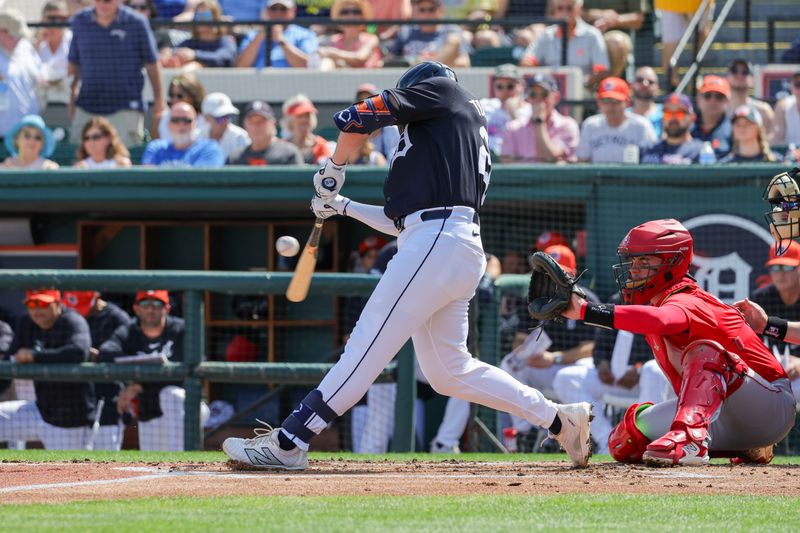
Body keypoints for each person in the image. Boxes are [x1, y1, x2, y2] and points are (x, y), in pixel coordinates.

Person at [222, 61, 592, 470]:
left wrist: (334, 169)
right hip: (448, 243)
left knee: (363, 349)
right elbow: (403, 221)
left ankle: (290, 442)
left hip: (438, 243)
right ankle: (559, 419)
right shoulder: (446, 141)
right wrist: (342, 207)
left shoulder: (445, 92)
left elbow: (355, 118)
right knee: (450, 371)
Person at [561, 218, 794, 466]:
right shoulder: (655, 301)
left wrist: (585, 310)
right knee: (624, 442)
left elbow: (661, 321)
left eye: (645, 260)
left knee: (705, 351)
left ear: (673, 261)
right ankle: (747, 447)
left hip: (770, 405)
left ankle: (690, 439)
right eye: (633, 260)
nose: (634, 268)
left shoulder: (688, 298)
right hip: (725, 414)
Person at [500, 244, 598, 448]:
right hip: (543, 367)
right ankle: (525, 431)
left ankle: (595, 437)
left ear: (572, 274)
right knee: (508, 366)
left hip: (572, 367)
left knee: (579, 369)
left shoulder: (585, 299)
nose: (554, 278)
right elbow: (519, 338)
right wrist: (523, 352)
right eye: (550, 272)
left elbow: (592, 347)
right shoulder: (534, 301)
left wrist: (555, 358)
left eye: (560, 272)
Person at [553, 293, 671, 454]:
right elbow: (600, 344)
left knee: (653, 369)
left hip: (643, 379)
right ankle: (608, 441)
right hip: (612, 377)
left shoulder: (661, 301)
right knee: (566, 377)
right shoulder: (618, 300)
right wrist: (602, 364)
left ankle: (646, 441)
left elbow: (667, 347)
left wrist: (638, 367)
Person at [99, 290, 209, 451]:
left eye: (157, 304)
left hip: (190, 408)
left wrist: (138, 385)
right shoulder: (129, 331)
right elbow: (106, 352)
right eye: (145, 304)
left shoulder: (181, 329)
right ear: (136, 308)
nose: (150, 309)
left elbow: (191, 370)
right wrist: (137, 382)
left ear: (167, 308)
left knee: (170, 394)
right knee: (154, 465)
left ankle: (182, 463)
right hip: (150, 412)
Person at [0, 290, 95, 450]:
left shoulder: (72, 321)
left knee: (68, 472)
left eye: (43, 304)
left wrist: (35, 356)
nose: (37, 310)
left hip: (70, 418)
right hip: (40, 407)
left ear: (58, 304)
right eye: (31, 304)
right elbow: (11, 359)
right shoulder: (27, 323)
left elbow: (79, 352)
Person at [68, 0, 166, 146]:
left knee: (125, 162)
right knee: (80, 162)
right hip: (87, 106)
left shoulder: (137, 22)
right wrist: (71, 95)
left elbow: (152, 65)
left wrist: (159, 101)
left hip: (126, 107)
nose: (103, 3)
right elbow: (74, 62)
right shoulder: (79, 21)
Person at [62, 290, 132, 451]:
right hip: (77, 396)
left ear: (97, 298)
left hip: (108, 394)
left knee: (105, 455)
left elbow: (131, 354)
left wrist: (100, 355)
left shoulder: (118, 318)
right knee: (73, 458)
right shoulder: (67, 317)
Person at [740, 242, 800, 404]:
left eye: (787, 267)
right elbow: (749, 345)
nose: (781, 274)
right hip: (773, 372)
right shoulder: (761, 299)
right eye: (775, 268)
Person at [520, 0, 610, 88]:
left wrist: (582, 84)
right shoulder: (547, 35)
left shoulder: (592, 35)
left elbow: (602, 71)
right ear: (555, 11)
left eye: (569, 8)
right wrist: (542, 78)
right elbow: (527, 62)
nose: (564, 12)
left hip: (580, 90)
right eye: (560, 8)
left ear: (579, 9)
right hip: (550, 89)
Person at [500, 73, 579, 163]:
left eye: (544, 94)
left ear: (556, 97)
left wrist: (539, 122)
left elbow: (548, 156)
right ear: (528, 98)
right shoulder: (513, 128)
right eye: (533, 94)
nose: (538, 99)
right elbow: (507, 164)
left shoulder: (567, 125)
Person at [576, 77, 657, 163]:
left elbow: (653, 161)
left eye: (616, 101)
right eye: (606, 100)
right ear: (598, 103)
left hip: (632, 176)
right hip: (598, 176)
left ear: (627, 102)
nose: (610, 106)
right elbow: (583, 161)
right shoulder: (590, 125)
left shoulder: (641, 125)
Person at [235, 0, 320, 68]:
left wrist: (281, 40)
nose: (278, 13)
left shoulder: (305, 34)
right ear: (267, 11)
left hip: (294, 84)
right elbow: (241, 66)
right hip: (257, 84)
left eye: (283, 9)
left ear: (293, 10)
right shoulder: (252, 35)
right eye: (273, 9)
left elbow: (308, 66)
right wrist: (260, 37)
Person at [387, 0, 471, 68]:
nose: (426, 14)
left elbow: (464, 63)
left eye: (431, 9)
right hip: (409, 81)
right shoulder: (406, 32)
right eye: (422, 10)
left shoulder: (451, 30)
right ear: (416, 12)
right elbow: (389, 59)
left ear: (441, 11)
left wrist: (428, 63)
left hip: (439, 79)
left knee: (454, 40)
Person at [0, 9, 43, 140]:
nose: (18, 39)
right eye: (14, 35)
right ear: (1, 32)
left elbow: (38, 75)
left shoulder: (26, 47)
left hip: (27, 134)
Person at [141, 102, 225, 167]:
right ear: (168, 124)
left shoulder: (209, 148)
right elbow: (148, 178)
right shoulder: (156, 148)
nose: (181, 125)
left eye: (187, 120)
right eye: (175, 120)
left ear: (196, 124)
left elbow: (201, 180)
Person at [162, 0, 237, 68]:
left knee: (195, 66)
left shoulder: (225, 41)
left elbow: (225, 58)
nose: (201, 20)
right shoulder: (191, 42)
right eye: (198, 16)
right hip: (185, 79)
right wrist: (168, 52)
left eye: (206, 16)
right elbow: (175, 51)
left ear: (215, 17)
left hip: (221, 80)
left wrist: (195, 55)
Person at [657, 0, 713, 88]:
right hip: (672, 4)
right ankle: (675, 88)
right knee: (671, 43)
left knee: (702, 35)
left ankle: (694, 80)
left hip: (700, 3)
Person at [230, 100, 304, 166]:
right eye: (252, 122)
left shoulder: (289, 154)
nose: (257, 126)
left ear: (273, 124)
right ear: (245, 125)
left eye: (262, 121)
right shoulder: (235, 159)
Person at [480, 64, 531, 158]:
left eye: (510, 86)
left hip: (513, 160)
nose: (504, 91)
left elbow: (527, 144)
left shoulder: (529, 112)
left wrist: (513, 114)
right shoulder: (485, 105)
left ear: (522, 86)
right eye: (499, 86)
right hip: (485, 158)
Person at [641, 93, 704, 164]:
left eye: (679, 113)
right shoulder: (650, 150)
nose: (673, 118)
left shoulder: (701, 151)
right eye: (668, 113)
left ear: (692, 118)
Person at [318, 0, 382, 69]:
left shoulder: (371, 39)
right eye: (345, 12)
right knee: (327, 62)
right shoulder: (333, 40)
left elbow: (360, 58)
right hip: (339, 79)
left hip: (366, 78)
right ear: (339, 17)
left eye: (356, 12)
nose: (350, 15)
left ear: (363, 16)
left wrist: (334, 54)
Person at [725, 59, 774, 136]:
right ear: (727, 77)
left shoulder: (763, 111)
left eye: (745, 72)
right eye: (734, 71)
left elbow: (770, 141)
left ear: (752, 79)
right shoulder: (718, 110)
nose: (739, 75)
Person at [355, 83, 400, 161]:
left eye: (369, 100)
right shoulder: (353, 131)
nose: (365, 105)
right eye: (361, 101)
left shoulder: (392, 130)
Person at [199, 92, 250, 162]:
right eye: (220, 118)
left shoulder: (241, 137)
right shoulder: (196, 137)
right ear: (206, 118)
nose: (226, 121)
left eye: (228, 116)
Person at [282, 95, 332, 165]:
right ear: (290, 120)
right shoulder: (282, 146)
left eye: (307, 115)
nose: (304, 120)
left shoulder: (320, 145)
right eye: (299, 116)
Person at [691, 74, 733, 159]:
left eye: (719, 97)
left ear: (728, 101)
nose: (713, 101)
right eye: (707, 96)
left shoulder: (734, 130)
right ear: (698, 98)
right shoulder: (685, 128)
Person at [158, 72, 206, 142]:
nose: (174, 100)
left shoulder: (205, 119)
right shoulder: (164, 117)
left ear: (193, 96)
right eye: (172, 95)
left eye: (179, 96)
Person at [36, 1, 73, 90]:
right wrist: (37, 43)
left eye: (62, 18)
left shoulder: (73, 41)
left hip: (67, 95)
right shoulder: (35, 43)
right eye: (51, 18)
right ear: (43, 19)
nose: (57, 22)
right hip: (40, 96)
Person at [628, 66, 662, 138]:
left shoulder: (666, 114)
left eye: (650, 82)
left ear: (657, 88)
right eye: (640, 80)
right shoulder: (622, 115)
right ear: (632, 85)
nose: (645, 84)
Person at [772, 71, 800, 147]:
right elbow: (777, 138)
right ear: (792, 87)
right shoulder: (783, 106)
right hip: (790, 155)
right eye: (798, 85)